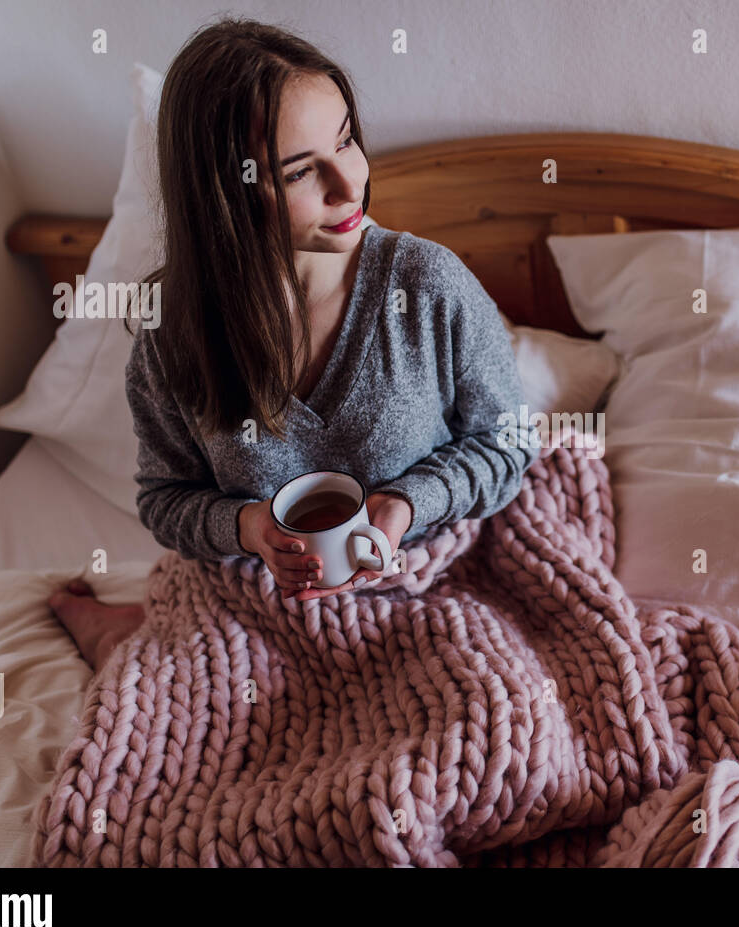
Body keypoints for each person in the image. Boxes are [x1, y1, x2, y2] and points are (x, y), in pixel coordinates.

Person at [49, 18, 537, 671]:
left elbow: (508, 443)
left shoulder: (427, 285)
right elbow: (165, 499)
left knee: (488, 722)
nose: (349, 183)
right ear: (227, 194)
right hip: (262, 596)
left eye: (347, 142)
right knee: (173, 714)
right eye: (303, 171)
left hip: (427, 574)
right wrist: (249, 529)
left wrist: (404, 504)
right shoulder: (174, 338)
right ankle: (117, 627)